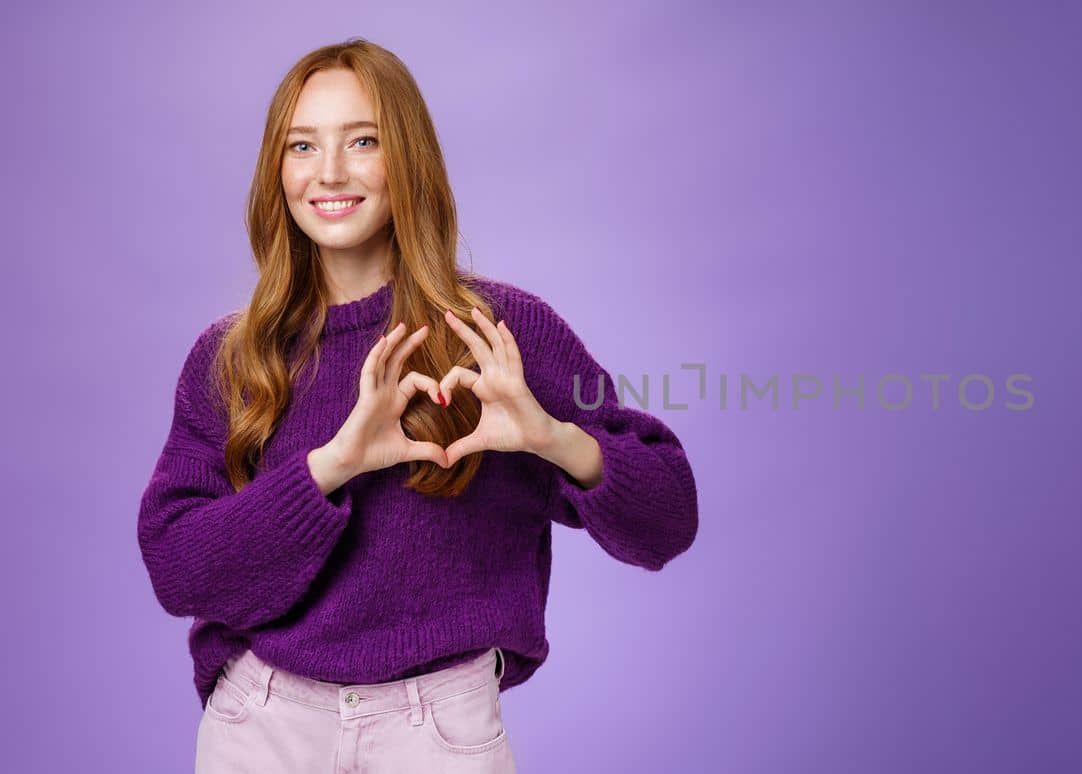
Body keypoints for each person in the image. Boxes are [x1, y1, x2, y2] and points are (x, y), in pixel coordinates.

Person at [136, 38, 699, 773]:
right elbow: (178, 571)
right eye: (302, 145)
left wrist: (555, 439)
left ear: (406, 158)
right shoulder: (234, 359)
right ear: (277, 169)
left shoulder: (499, 334)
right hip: (263, 728)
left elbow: (668, 522)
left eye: (361, 140)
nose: (329, 172)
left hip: (439, 736)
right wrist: (332, 467)